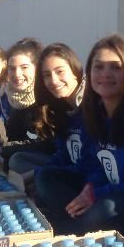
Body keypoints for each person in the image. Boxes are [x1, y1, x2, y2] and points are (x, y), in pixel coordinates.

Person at [35, 34, 124, 238]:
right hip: (106, 194)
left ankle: (62, 232)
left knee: (108, 205)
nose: (106, 74)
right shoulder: (94, 115)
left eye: (115, 67)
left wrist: (99, 192)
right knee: (47, 177)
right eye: (98, 67)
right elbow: (93, 167)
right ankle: (67, 226)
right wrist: (90, 187)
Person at [9, 42, 85, 174]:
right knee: (17, 160)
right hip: (70, 168)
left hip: (89, 176)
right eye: (47, 75)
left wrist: (38, 175)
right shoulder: (56, 105)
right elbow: (62, 154)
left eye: (60, 71)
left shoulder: (91, 105)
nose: (54, 80)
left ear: (75, 70)